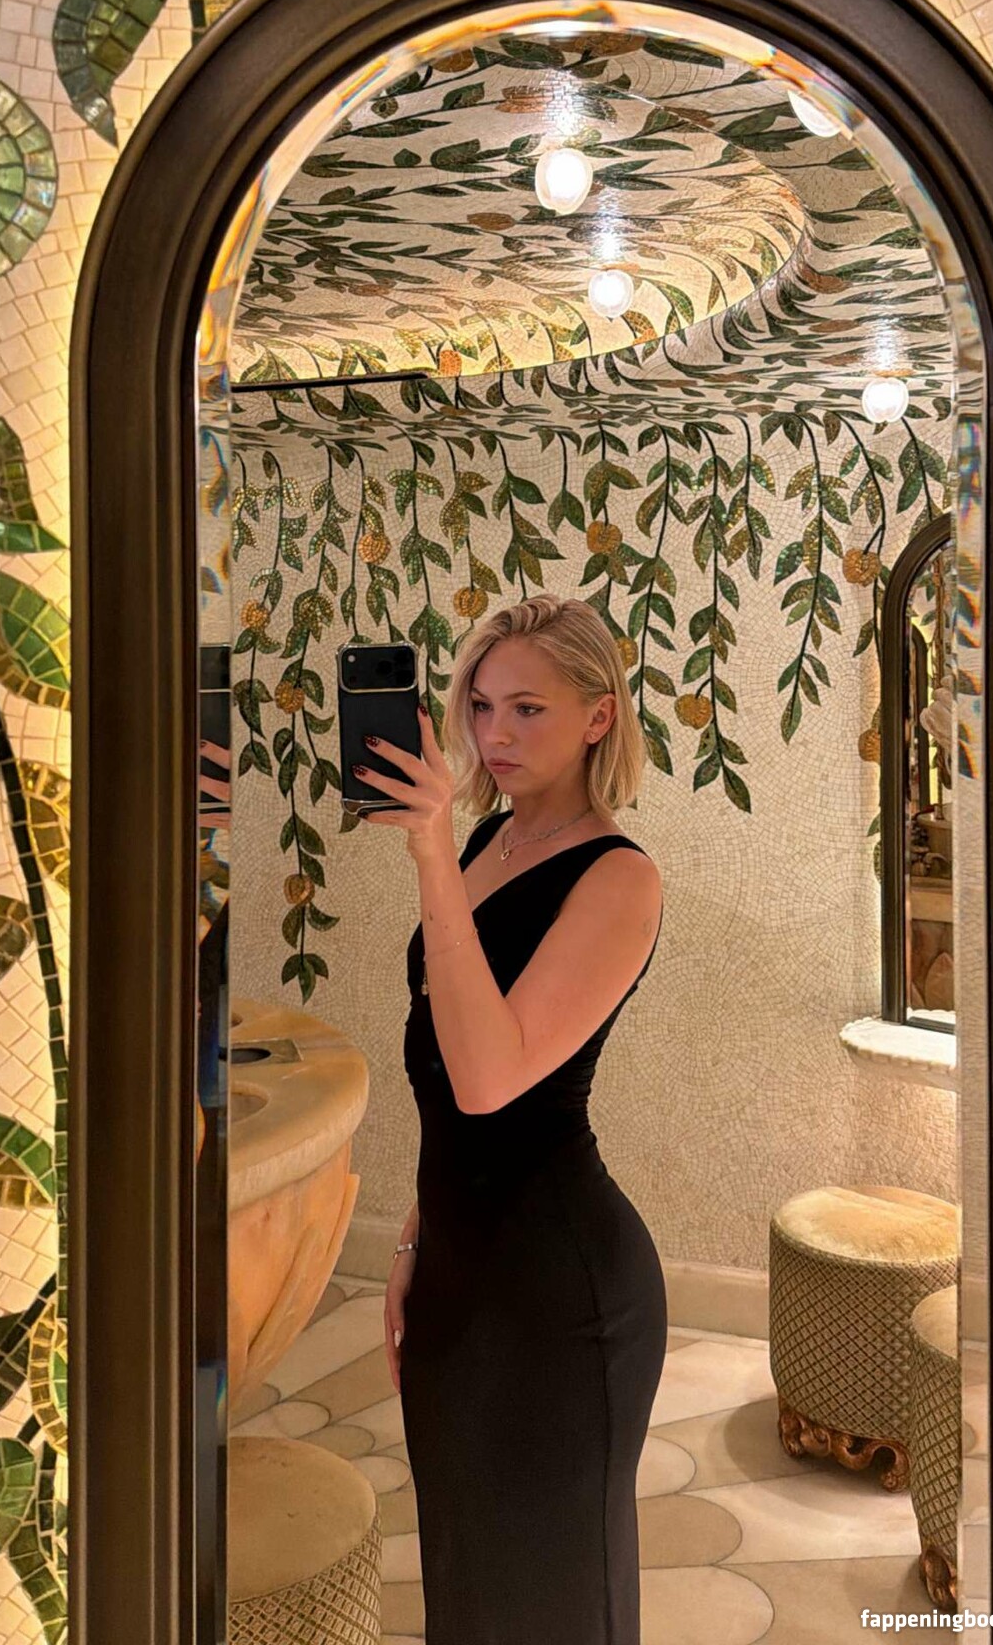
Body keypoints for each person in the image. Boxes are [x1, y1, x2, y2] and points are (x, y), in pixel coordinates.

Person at [354, 593, 667, 1644]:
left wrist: (430, 855)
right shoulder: (489, 838)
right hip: (460, 1265)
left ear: (598, 716)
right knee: (466, 1567)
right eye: (482, 705)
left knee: (554, 1594)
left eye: (529, 708)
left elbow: (490, 1082)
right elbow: (448, 1088)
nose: (495, 734)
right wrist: (417, 1235)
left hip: (560, 1295)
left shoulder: (620, 879)